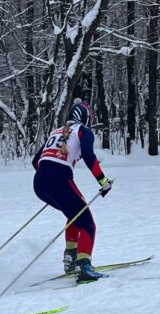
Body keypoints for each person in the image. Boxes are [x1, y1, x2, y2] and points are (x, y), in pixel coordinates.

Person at [31, 98, 112, 283]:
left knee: (74, 214)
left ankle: (70, 258)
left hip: (39, 183)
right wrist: (103, 181)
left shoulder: (56, 131)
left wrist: (48, 177)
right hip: (60, 179)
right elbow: (89, 156)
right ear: (86, 117)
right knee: (88, 224)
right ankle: (83, 266)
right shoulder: (83, 131)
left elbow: (35, 161)